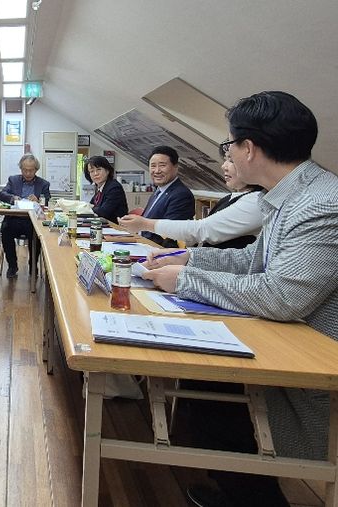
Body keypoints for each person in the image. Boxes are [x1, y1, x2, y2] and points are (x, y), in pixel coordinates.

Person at [143, 91, 338, 507]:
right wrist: (189, 257)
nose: (228, 154)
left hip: (309, 356)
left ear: (248, 148)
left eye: (229, 145)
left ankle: (253, 496)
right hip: (285, 338)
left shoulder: (322, 203)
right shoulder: (290, 193)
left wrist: (187, 280)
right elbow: (253, 260)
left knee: (210, 386)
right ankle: (242, 490)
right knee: (201, 382)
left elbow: (283, 295)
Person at [119, 150, 262, 248]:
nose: (224, 166)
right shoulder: (229, 197)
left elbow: (202, 230)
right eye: (225, 160)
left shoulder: (257, 201)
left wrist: (145, 224)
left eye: (231, 160)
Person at [0, 153, 51, 278]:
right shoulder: (13, 180)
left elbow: (48, 201)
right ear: (21, 169)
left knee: (38, 234)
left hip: (33, 221)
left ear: (36, 170)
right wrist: (13, 198)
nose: (27, 173)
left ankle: (33, 265)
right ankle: (12, 266)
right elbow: (1, 194)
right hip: (14, 219)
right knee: (5, 231)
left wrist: (39, 200)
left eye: (31, 170)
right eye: (25, 170)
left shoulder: (43, 184)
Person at [139, 145, 195, 247]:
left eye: (162, 165)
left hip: (156, 251)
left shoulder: (181, 195)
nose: (157, 171)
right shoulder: (159, 191)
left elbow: (169, 237)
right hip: (142, 243)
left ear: (176, 167)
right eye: (153, 166)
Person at [83, 155, 128, 223]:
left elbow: (103, 212)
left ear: (107, 171)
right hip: (103, 225)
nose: (95, 174)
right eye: (92, 171)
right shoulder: (100, 189)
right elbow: (91, 206)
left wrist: (87, 208)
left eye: (99, 169)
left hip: (116, 227)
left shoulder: (114, 188)